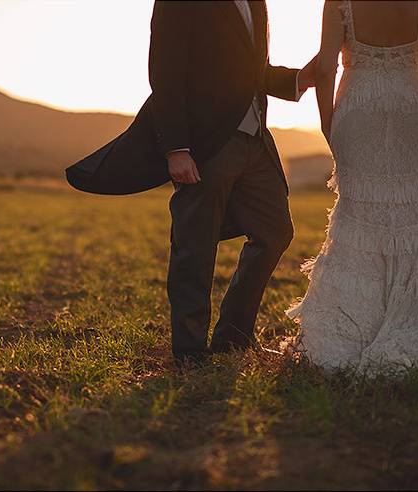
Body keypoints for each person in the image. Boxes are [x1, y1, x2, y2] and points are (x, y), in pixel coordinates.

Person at [65, 1, 316, 366]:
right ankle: (189, 351)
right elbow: (166, 73)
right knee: (194, 242)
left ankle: (232, 338)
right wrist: (176, 148)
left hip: (256, 139)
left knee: (275, 231)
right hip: (204, 143)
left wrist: (300, 79)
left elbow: (252, 70)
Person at [285, 0, 418, 375]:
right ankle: (415, 319)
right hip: (413, 106)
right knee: (413, 210)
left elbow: (326, 66)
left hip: (359, 109)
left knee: (358, 211)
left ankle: (355, 329)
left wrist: (327, 120)